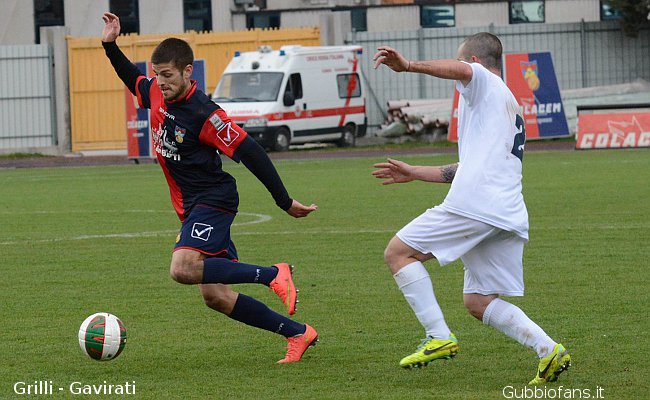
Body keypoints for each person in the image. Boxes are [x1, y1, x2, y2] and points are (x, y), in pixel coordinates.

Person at [101, 12, 318, 363]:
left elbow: (251, 152)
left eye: (169, 75)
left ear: (188, 72)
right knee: (216, 296)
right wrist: (110, 45)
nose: (162, 82)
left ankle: (273, 274)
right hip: (191, 207)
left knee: (182, 268)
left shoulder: (206, 114)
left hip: (213, 200)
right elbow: (133, 79)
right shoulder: (156, 91)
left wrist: (284, 201)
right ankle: (298, 334)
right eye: (158, 75)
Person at [372, 32, 571, 384]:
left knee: (398, 253)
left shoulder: (484, 82)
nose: (462, 70)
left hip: (478, 204)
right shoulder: (503, 105)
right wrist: (414, 173)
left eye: (463, 62)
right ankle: (549, 350)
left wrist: (408, 66)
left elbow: (463, 70)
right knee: (478, 301)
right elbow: (467, 168)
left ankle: (438, 337)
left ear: (475, 63)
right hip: (505, 211)